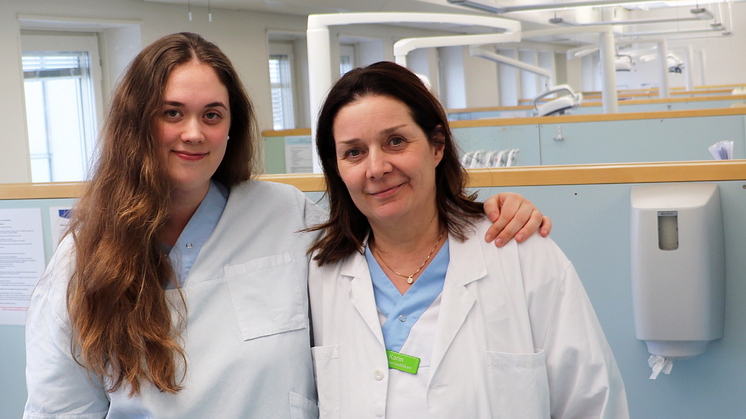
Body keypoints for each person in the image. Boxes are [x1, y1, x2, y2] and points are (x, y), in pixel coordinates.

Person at [23, 33, 549, 418]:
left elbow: (395, 226)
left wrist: (487, 212)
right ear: (136, 122)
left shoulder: (287, 214)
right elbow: (59, 409)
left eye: (213, 115)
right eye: (171, 113)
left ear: (232, 127)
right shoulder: (82, 260)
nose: (194, 133)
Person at [307, 61, 629, 419]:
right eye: (354, 152)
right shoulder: (320, 275)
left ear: (437, 146)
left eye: (395, 141)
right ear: (336, 168)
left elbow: (592, 402)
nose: (376, 167)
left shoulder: (520, 253)